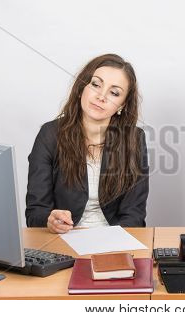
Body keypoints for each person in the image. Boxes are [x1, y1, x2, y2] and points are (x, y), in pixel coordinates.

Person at [25, 54, 149, 233]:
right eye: (96, 84)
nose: (101, 96)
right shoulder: (50, 134)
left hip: (114, 241)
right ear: (82, 86)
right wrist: (50, 221)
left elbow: (134, 216)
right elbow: (35, 212)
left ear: (122, 105)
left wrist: (112, 244)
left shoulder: (134, 139)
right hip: (62, 240)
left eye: (114, 93)